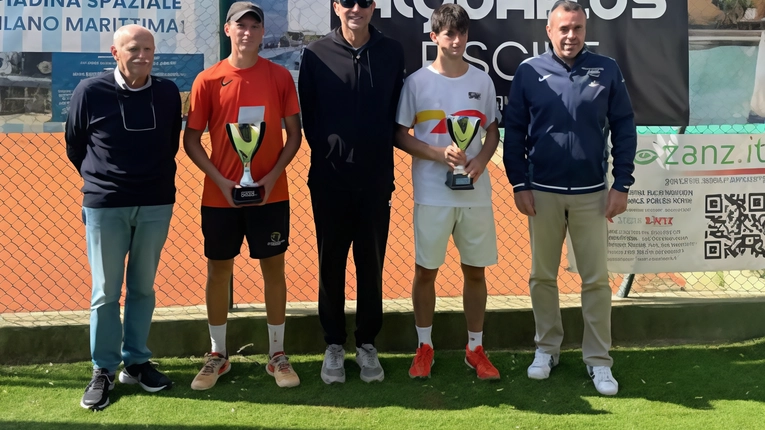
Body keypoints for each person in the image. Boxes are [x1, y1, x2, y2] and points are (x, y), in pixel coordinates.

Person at [503, 0, 637, 396]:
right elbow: (514, 130)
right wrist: (518, 183)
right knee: (542, 277)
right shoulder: (528, 72)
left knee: (595, 280)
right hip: (541, 193)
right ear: (548, 30)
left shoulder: (606, 69)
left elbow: (625, 127)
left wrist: (622, 183)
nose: (570, 36)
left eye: (576, 28)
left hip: (592, 194)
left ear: (585, 30)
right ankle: (547, 348)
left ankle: (598, 360)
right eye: (563, 28)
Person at [183, 1, 302, 390]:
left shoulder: (280, 76)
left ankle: (277, 355)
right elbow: (192, 140)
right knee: (219, 271)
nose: (247, 31)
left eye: (255, 25)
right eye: (240, 25)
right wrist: (220, 180)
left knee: (274, 270)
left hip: (271, 194)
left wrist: (269, 179)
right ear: (227, 30)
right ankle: (218, 354)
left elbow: (294, 136)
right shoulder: (207, 80)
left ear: (262, 32)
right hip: (220, 197)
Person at [65, 24, 181, 411]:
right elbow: (75, 144)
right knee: (105, 292)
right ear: (115, 53)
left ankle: (136, 361)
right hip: (105, 204)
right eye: (134, 49)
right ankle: (103, 370)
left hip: (155, 203)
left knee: (144, 287)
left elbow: (171, 143)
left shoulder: (166, 92)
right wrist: (105, 182)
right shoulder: (90, 91)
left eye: (149, 49)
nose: (143, 56)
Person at [298, 0, 405, 384]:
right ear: (335, 6)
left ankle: (367, 344)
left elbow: (396, 111)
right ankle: (332, 344)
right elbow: (309, 117)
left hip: (376, 180)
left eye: (363, 1)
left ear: (373, 7)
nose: (355, 8)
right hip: (329, 182)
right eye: (347, 1)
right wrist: (331, 154)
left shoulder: (391, 52)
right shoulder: (315, 54)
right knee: (331, 263)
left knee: (370, 263)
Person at [395, 3, 501, 381]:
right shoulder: (417, 82)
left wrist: (482, 162)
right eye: (448, 34)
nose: (456, 40)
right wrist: (439, 154)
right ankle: (424, 346)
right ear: (434, 37)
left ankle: (475, 348)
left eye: (461, 33)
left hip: (474, 193)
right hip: (432, 193)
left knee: (475, 272)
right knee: (426, 271)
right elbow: (399, 134)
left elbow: (492, 131)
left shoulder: (482, 81)